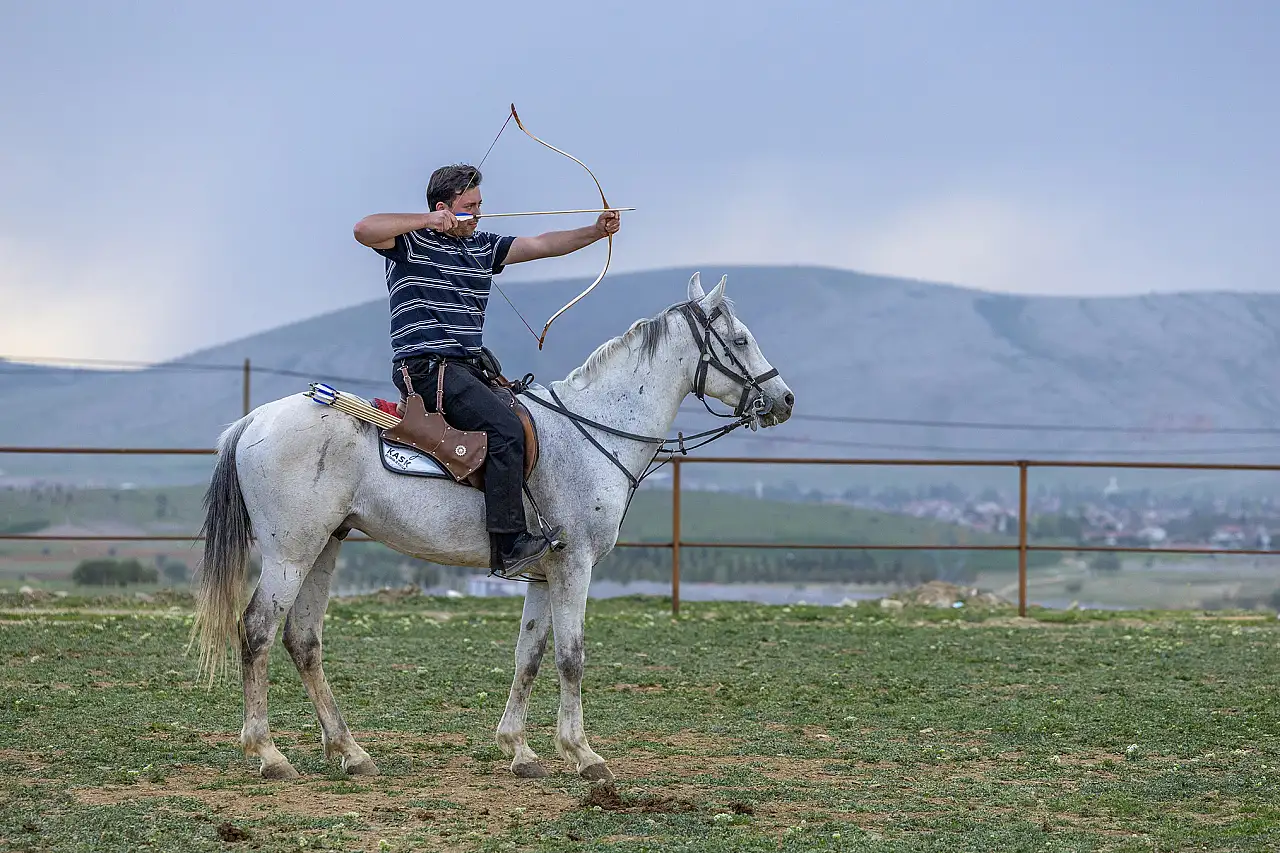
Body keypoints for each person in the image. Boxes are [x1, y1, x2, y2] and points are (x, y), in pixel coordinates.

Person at [353, 164, 622, 579]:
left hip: (467, 370)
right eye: (470, 206)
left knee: (527, 421)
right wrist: (427, 221)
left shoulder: (482, 247)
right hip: (427, 369)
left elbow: (541, 244)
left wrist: (595, 231)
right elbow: (363, 229)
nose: (478, 213)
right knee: (506, 430)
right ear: (444, 208)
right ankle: (508, 544)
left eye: (480, 204)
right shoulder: (408, 241)